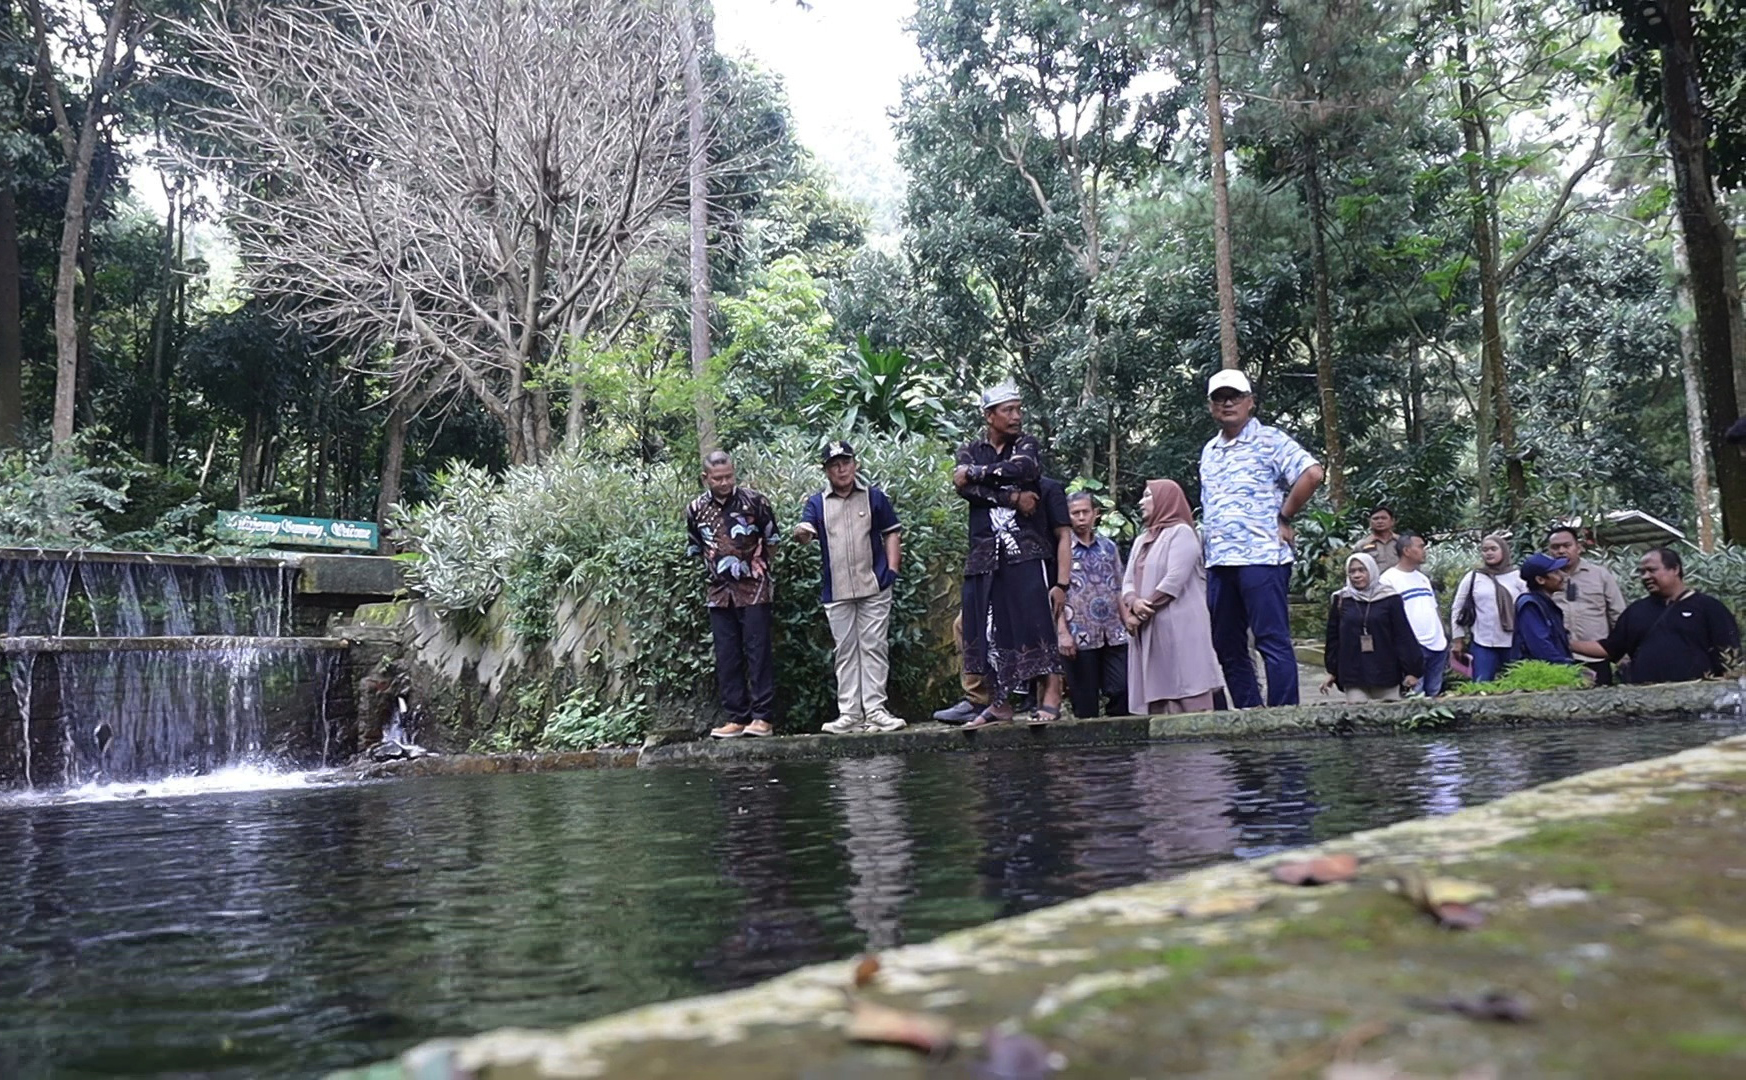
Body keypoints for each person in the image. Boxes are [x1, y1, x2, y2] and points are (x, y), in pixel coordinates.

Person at [1199, 368, 1326, 708]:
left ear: (1250, 402)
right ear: (1211, 406)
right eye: (1220, 398)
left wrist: (1285, 515)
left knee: (1271, 640)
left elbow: (1312, 473)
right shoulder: (1209, 450)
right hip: (1220, 561)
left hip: (1262, 557)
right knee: (1225, 642)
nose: (1227, 404)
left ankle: (1283, 717)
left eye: (1235, 397)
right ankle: (1249, 712)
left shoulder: (1270, 439)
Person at [953, 382, 1064, 728]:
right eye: (1008, 410)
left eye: (1019, 409)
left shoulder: (1026, 444)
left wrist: (977, 476)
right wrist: (1012, 499)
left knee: (1036, 621)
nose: (1016, 416)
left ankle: (1052, 694)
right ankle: (999, 703)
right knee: (987, 626)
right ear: (989, 416)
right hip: (985, 552)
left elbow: (1024, 469)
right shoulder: (969, 449)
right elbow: (965, 491)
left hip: (1025, 550)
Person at [794, 440, 906, 735]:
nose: (841, 469)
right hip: (837, 590)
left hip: (874, 586)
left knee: (874, 647)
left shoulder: (874, 497)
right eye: (834, 464)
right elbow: (806, 528)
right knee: (845, 651)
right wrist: (802, 533)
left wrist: (891, 571)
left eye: (845, 462)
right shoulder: (817, 502)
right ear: (826, 470)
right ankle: (849, 714)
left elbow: (892, 532)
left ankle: (876, 711)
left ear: (855, 464)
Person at [685, 450, 780, 738]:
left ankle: (763, 717)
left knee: (758, 653)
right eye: (718, 478)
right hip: (718, 592)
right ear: (706, 478)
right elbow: (696, 547)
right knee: (727, 656)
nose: (725, 482)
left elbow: (772, 538)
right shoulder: (695, 509)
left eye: (729, 476)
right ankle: (736, 717)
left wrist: (760, 566)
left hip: (754, 588)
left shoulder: (755, 501)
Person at [1122, 479, 1223, 714]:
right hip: (1150, 630)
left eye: (1147, 496)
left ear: (1165, 500)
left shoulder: (1183, 534)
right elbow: (1126, 581)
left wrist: (1140, 613)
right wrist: (1133, 602)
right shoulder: (1141, 541)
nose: (1141, 502)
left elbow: (1173, 581)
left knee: (1189, 690)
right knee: (1159, 696)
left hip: (1181, 628)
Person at [1573, 547, 1741, 683]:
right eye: (1642, 572)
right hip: (1646, 700)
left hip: (1698, 699)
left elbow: (1730, 653)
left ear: (1675, 569)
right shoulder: (1635, 611)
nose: (1645, 577)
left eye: (1651, 570)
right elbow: (1610, 648)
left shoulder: (1708, 607)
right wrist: (1567, 643)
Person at [1058, 490, 1128, 718]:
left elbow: (1119, 587)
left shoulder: (1109, 547)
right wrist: (1062, 632)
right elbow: (1055, 594)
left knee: (1122, 689)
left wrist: (1128, 621)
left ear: (1095, 514)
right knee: (1085, 702)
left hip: (1113, 632)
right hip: (1079, 635)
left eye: (1085, 512)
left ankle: (1122, 751)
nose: (1080, 518)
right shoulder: (1061, 550)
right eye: (1075, 513)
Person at [1320, 553, 1422, 702]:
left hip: (1386, 671)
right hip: (1353, 673)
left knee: (1389, 718)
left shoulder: (1389, 598)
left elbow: (1403, 635)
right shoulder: (1341, 599)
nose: (1357, 575)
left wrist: (1412, 671)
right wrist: (1331, 671)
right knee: (1357, 718)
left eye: (1362, 570)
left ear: (1372, 571)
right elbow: (1334, 638)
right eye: (1352, 571)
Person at [1547, 526, 1626, 685]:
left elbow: (1618, 615)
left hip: (1596, 656)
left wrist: (1623, 653)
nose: (1561, 551)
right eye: (1555, 547)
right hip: (1559, 659)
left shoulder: (1600, 575)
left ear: (1579, 547)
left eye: (1567, 546)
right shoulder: (1545, 579)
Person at [1380, 532, 1449, 697]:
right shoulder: (1388, 580)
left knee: (1435, 693)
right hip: (1414, 647)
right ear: (1406, 551)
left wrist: (1445, 637)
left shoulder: (1423, 579)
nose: (1424, 550)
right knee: (1415, 695)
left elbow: (1434, 608)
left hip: (1437, 645)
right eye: (1420, 546)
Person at [1449, 534, 1524, 683]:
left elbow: (1527, 607)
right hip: (1483, 642)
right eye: (1485, 550)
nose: (1488, 553)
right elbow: (1457, 608)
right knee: (1481, 685)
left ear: (1503, 551)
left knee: (1517, 684)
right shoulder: (1474, 577)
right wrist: (1458, 639)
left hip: (1514, 641)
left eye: (1493, 549)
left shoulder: (1518, 576)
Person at [1511, 552, 1577, 665]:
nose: (1562, 576)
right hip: (1542, 675)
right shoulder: (1530, 605)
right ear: (1540, 580)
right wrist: (1568, 667)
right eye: (1556, 572)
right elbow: (1541, 646)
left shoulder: (1546, 604)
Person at [1353, 504, 1402, 574]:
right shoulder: (1362, 545)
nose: (1380, 521)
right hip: (1375, 583)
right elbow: (1355, 568)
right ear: (1370, 522)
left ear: (1392, 521)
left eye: (1384, 518)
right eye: (1375, 519)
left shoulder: (1402, 542)